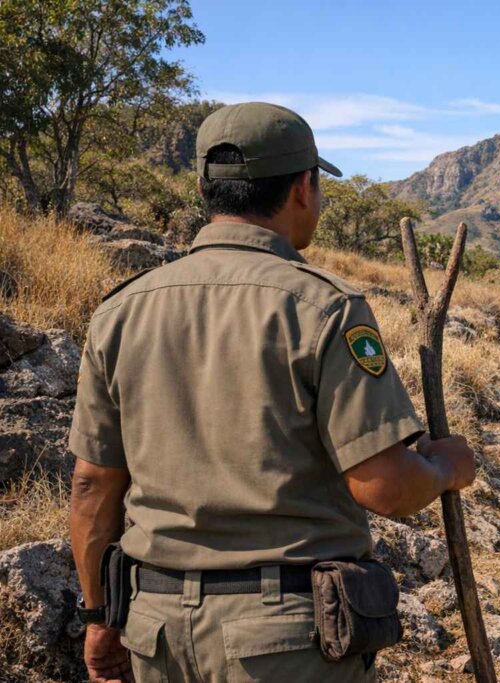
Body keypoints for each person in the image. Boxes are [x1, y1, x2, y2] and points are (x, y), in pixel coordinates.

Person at [68, 102, 476, 682]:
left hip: (154, 627)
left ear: (207, 190)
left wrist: (98, 615)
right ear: (303, 189)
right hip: (287, 639)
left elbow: (91, 485)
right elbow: (384, 486)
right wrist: (445, 467)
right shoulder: (326, 308)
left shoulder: (120, 311)